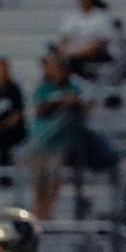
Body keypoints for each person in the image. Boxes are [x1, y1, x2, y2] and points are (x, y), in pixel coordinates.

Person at [25, 56, 84, 221]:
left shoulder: (74, 87)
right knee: (38, 182)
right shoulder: (44, 88)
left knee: (53, 180)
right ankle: (39, 212)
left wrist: (70, 102)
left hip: (59, 143)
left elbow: (83, 107)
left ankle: (48, 212)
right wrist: (59, 101)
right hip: (39, 142)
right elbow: (40, 110)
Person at [57, 0, 115, 78]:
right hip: (73, 51)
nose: (83, 1)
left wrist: (82, 51)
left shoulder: (102, 16)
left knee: (74, 62)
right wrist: (63, 50)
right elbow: (65, 38)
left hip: (94, 53)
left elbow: (103, 42)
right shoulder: (72, 16)